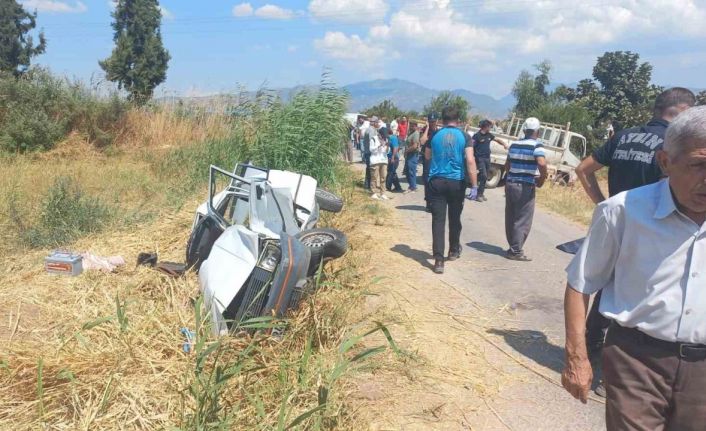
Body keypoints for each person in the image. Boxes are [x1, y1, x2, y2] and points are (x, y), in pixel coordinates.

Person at [561, 106, 706, 430]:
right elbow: (580, 283)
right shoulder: (622, 212)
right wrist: (577, 358)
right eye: (699, 165)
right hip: (637, 361)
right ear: (665, 162)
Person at [425, 106, 478, 274]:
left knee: (438, 221)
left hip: (437, 181)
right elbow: (470, 160)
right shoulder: (465, 136)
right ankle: (453, 250)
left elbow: (427, 156)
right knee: (455, 218)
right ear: (459, 121)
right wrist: (475, 185)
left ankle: (439, 261)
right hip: (456, 182)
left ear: (442, 120)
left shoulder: (434, 135)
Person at [503, 117, 548, 262]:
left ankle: (512, 247)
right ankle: (516, 251)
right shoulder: (537, 146)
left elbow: (507, 164)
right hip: (525, 185)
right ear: (537, 131)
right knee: (523, 218)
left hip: (511, 183)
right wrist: (542, 178)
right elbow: (541, 162)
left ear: (524, 130)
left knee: (511, 216)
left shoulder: (514, 144)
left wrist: (509, 177)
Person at [470, 119, 507, 202]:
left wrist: (504, 144)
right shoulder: (476, 136)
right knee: (483, 175)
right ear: (485, 127)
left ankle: (481, 194)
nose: (490, 128)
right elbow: (471, 146)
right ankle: (477, 193)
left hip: (487, 158)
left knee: (485, 176)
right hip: (480, 158)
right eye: (489, 126)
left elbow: (497, 140)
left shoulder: (489, 135)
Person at [365, 117, 389, 200]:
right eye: (383, 136)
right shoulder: (374, 139)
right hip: (375, 160)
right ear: (380, 134)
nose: (384, 138)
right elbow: (372, 150)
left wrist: (387, 146)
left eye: (385, 136)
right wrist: (379, 145)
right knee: (374, 178)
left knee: (383, 177)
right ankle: (373, 192)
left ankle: (383, 193)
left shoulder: (386, 139)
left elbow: (387, 152)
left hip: (384, 160)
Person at [421, 113, 439, 212]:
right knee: (427, 179)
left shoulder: (439, 131)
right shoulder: (425, 130)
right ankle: (428, 202)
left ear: (437, 121)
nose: (432, 123)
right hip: (427, 158)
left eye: (433, 121)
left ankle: (435, 202)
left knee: (435, 179)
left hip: (437, 158)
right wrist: (427, 128)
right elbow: (423, 141)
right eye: (430, 121)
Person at [404, 121, 420, 193]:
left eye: (413, 126)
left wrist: (407, 151)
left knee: (411, 171)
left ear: (416, 126)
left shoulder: (416, 134)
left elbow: (415, 146)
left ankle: (413, 187)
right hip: (409, 154)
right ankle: (411, 186)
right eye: (410, 125)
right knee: (407, 171)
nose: (411, 127)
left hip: (413, 154)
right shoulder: (411, 133)